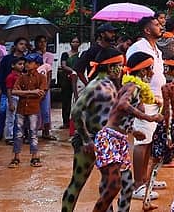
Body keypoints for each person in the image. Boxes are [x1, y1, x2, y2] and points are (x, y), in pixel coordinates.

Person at [93, 52, 163, 212]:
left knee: (126, 185)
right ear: (142, 71)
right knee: (112, 185)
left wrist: (134, 130)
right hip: (109, 138)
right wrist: (149, 117)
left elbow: (119, 116)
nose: (152, 73)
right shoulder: (133, 87)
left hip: (119, 139)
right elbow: (123, 106)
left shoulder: (131, 87)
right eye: (149, 69)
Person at [61, 47, 124, 212]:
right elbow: (75, 112)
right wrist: (86, 139)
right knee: (77, 183)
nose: (122, 69)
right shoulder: (96, 86)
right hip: (89, 142)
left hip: (104, 142)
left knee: (108, 184)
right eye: (119, 65)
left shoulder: (110, 85)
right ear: (111, 67)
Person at [126, 16, 167, 201]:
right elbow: (131, 74)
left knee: (149, 141)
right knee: (142, 141)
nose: (161, 26)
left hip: (157, 101)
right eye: (157, 24)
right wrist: (140, 101)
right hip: (144, 100)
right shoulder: (138, 48)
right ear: (147, 30)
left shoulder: (156, 49)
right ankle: (137, 185)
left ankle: (145, 179)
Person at [9, 53, 47, 169]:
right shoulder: (22, 77)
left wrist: (25, 93)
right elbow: (14, 92)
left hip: (32, 108)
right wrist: (33, 92)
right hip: (23, 108)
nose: (26, 64)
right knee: (18, 134)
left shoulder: (41, 77)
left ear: (37, 65)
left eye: (30, 62)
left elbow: (41, 93)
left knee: (33, 134)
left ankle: (34, 157)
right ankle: (16, 157)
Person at [0, 36, 29, 141]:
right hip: (6, 90)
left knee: (21, 114)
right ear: (15, 45)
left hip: (21, 92)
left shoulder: (27, 60)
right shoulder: (7, 59)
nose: (23, 46)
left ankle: (21, 134)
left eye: (25, 44)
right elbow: (1, 74)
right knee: (3, 111)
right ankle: (0, 133)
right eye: (21, 44)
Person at [34, 35, 57, 140]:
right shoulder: (32, 55)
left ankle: (46, 131)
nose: (42, 44)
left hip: (44, 86)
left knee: (45, 110)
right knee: (34, 109)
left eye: (44, 42)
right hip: (34, 86)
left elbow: (48, 70)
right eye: (40, 42)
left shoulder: (49, 56)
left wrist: (46, 87)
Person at [59, 36, 83, 129]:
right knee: (66, 101)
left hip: (78, 80)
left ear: (80, 44)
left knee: (77, 99)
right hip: (66, 80)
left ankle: (77, 122)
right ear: (70, 43)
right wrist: (73, 71)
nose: (75, 43)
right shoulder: (65, 54)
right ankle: (66, 122)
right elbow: (63, 65)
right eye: (73, 42)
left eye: (77, 42)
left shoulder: (81, 55)